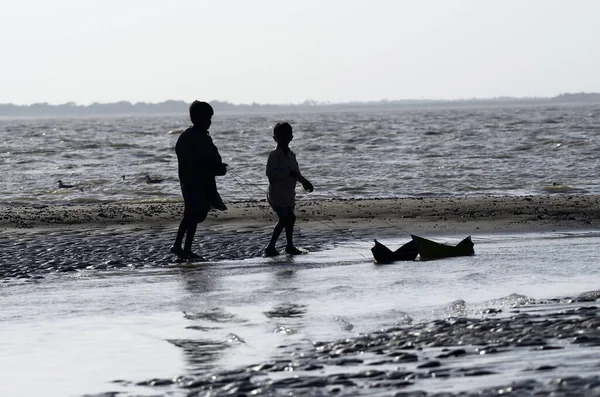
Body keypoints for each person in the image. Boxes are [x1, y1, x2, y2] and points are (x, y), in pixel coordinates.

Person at [170, 101, 228, 260]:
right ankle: (177, 245)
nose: (209, 121)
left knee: (196, 214)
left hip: (205, 182)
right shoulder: (187, 137)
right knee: (190, 213)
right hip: (191, 182)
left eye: (210, 118)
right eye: (207, 118)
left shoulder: (205, 137)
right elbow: (191, 160)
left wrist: (219, 167)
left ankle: (186, 248)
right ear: (197, 118)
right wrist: (210, 166)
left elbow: (214, 157)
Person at [264, 122, 314, 257]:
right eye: (281, 137)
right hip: (276, 194)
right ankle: (272, 246)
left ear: (291, 137)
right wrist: (286, 174)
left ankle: (288, 246)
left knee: (288, 219)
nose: (284, 140)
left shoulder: (292, 155)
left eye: (287, 137)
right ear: (275, 138)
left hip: (289, 194)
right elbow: (270, 174)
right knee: (287, 218)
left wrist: (305, 182)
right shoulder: (274, 155)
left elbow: (296, 173)